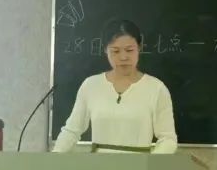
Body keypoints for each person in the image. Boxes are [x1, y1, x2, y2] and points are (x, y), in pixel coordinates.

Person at [53, 19, 178, 154]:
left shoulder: (156, 88)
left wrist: (149, 163)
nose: (123, 57)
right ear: (105, 50)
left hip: (139, 165)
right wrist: (55, 155)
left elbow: (168, 139)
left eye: (129, 50)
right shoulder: (91, 85)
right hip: (99, 165)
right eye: (115, 51)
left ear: (139, 47)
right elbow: (71, 131)